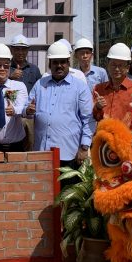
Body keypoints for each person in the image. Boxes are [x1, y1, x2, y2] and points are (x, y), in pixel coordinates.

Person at [26, 40, 94, 169]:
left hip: (69, 153)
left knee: (68, 189)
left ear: (68, 63)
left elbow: (88, 120)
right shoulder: (40, 84)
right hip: (42, 151)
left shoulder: (80, 87)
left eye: (62, 62)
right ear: (49, 64)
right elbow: (27, 108)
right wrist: (28, 110)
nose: (59, 66)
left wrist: (84, 147)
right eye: (55, 62)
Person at [92, 42, 132, 126]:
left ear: (127, 68)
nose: (116, 69)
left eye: (120, 65)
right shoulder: (98, 90)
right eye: (113, 65)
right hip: (104, 137)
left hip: (128, 138)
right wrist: (98, 108)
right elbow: (93, 118)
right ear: (108, 65)